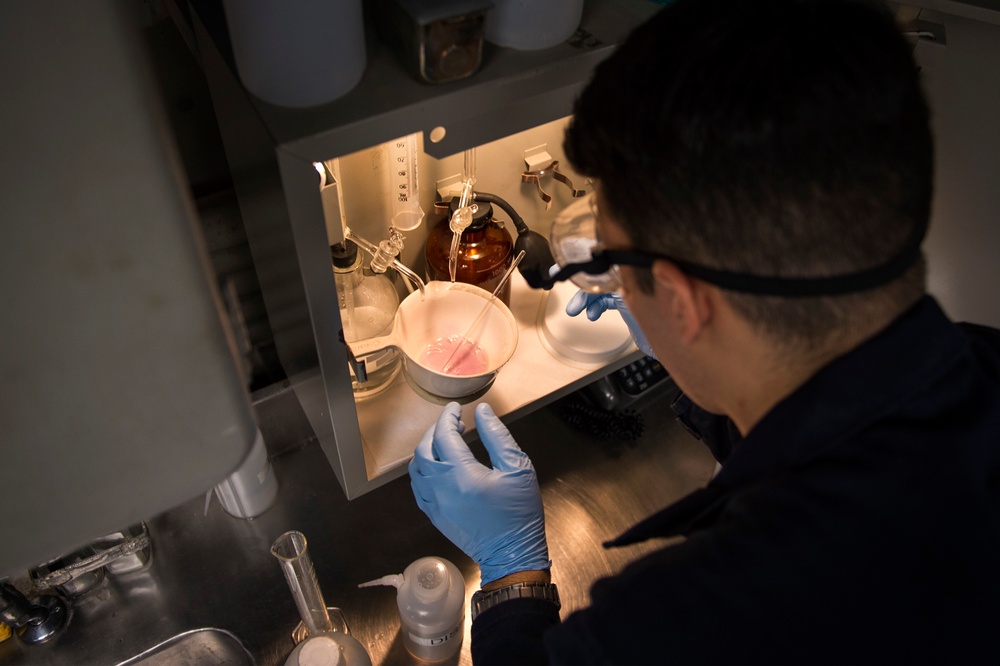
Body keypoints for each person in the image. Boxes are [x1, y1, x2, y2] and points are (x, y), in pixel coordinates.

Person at [409, 0, 1000, 662]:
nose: (611, 283)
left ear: (690, 305)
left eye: (615, 263)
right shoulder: (978, 365)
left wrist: (511, 572)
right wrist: (680, 346)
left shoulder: (704, 618)